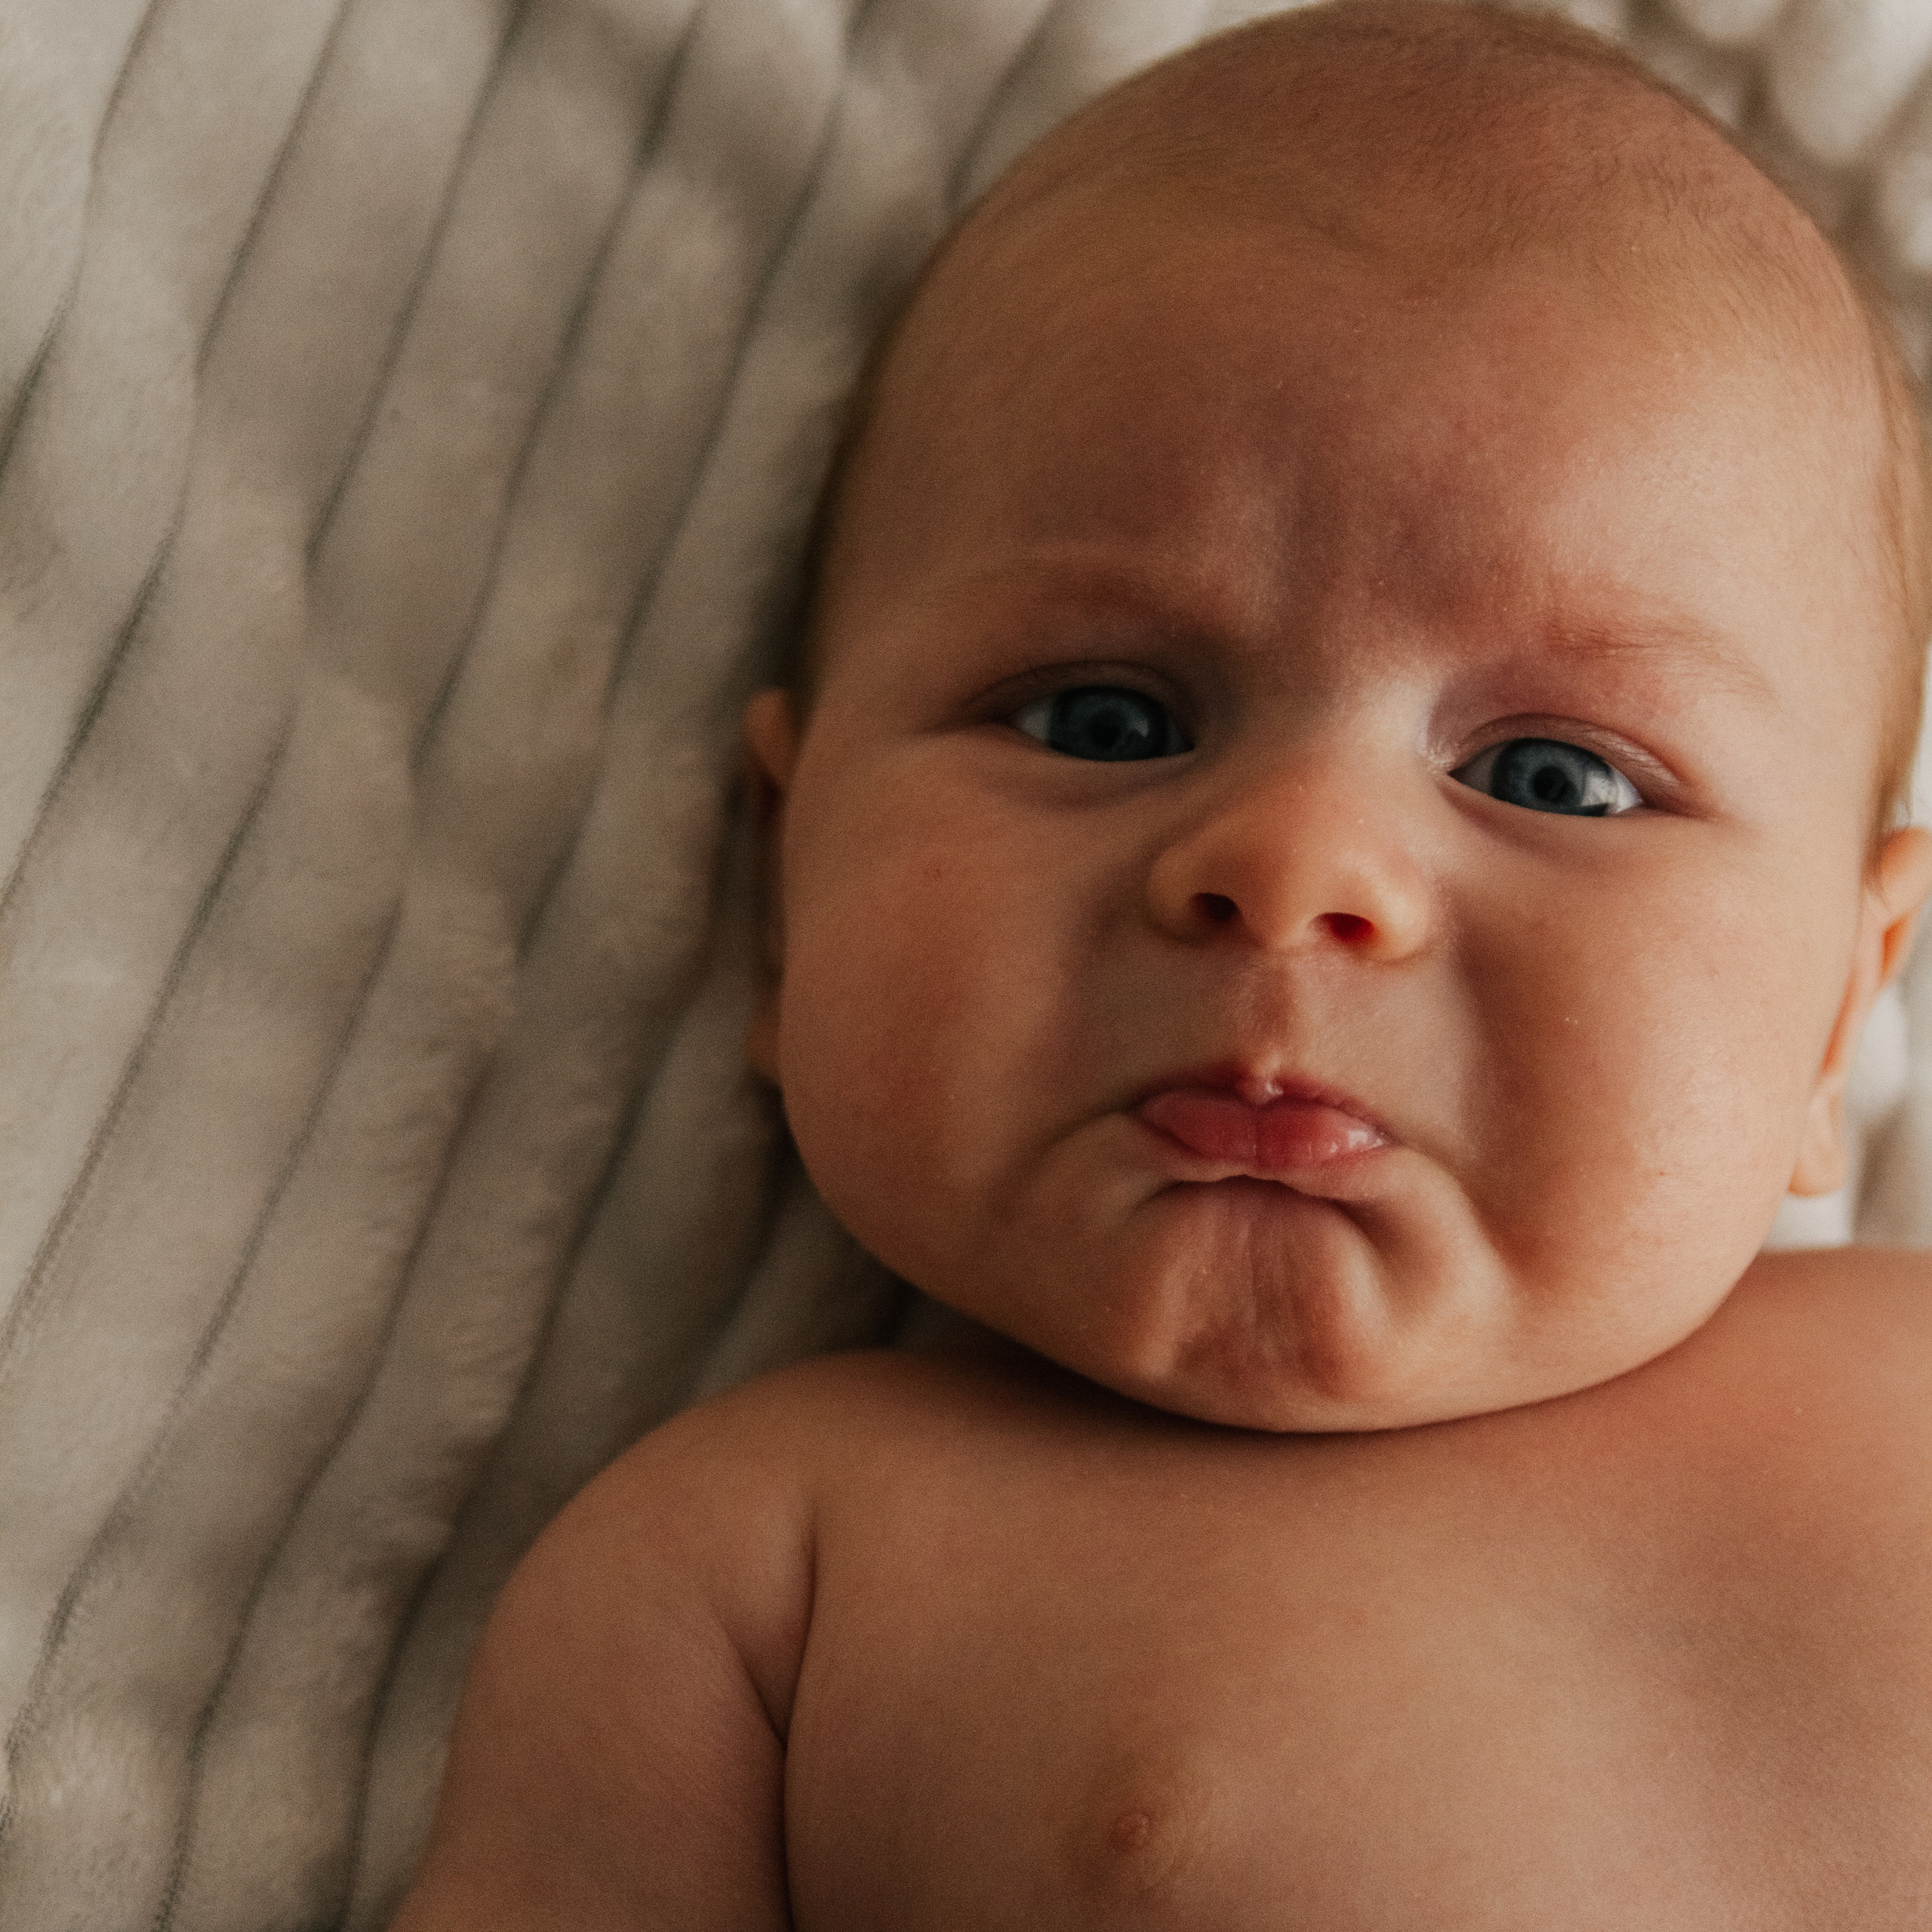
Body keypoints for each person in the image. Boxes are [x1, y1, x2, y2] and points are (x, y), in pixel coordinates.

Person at [389, 3, 1932, 1923]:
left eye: (1554, 774)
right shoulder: (763, 1571)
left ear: (1838, 1011)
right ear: (790, 889)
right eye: (1103, 719)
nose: (1292, 874)